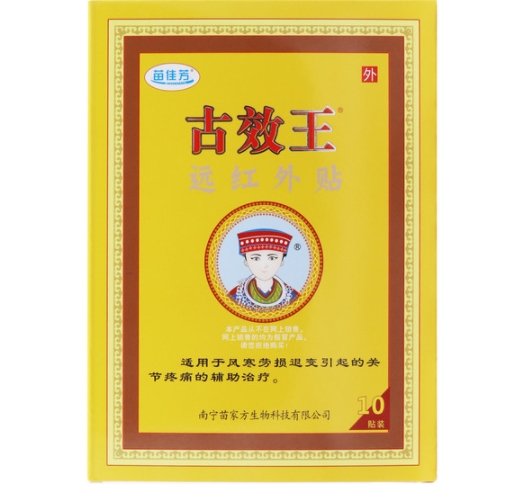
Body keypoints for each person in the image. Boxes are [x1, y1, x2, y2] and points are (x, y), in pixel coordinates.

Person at [229, 228, 299, 309]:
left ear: (282, 261)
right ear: (246, 261)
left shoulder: (292, 296)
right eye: (256, 258)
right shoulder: (235, 296)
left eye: (272, 258)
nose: (264, 265)